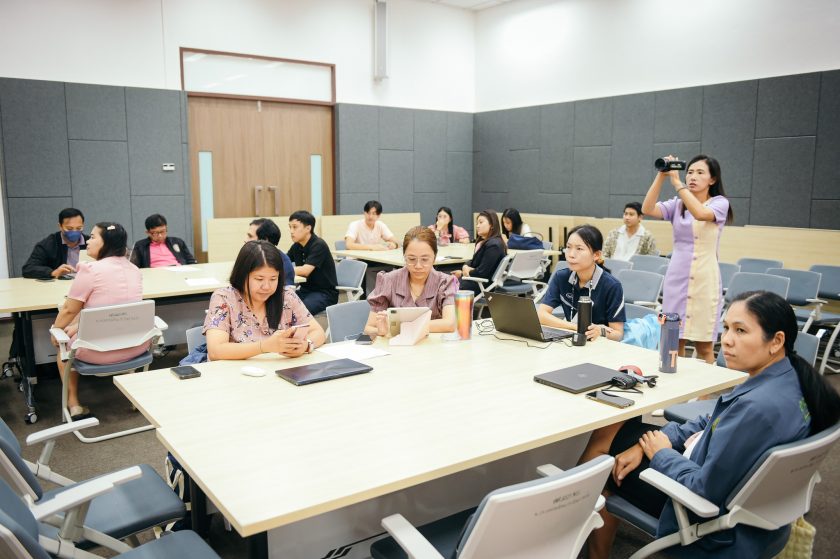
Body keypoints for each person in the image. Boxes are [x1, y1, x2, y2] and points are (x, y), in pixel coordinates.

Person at [579, 290, 840, 559]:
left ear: (776, 341)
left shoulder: (757, 409)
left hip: (701, 516)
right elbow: (712, 420)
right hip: (750, 509)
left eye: (740, 330)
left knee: (603, 456)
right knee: (620, 436)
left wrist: (660, 453)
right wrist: (654, 442)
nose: (726, 340)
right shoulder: (790, 380)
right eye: (726, 328)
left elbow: (703, 490)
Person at [642, 154, 733, 363]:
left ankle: (707, 386)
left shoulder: (720, 203)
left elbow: (701, 213)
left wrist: (677, 182)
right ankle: (675, 380)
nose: (692, 176)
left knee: (704, 345)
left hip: (705, 279)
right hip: (677, 278)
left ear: (713, 179)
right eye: (690, 172)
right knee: (674, 341)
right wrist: (662, 175)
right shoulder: (677, 204)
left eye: (700, 173)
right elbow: (647, 209)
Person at [50, 222, 143, 419]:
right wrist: (79, 325)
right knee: (78, 323)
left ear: (106, 243)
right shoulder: (134, 270)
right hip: (135, 349)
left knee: (62, 343)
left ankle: (73, 404)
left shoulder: (90, 270)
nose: (87, 241)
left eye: (92, 237)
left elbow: (68, 309)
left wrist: (55, 330)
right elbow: (118, 312)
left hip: (96, 352)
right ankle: (135, 396)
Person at [204, 240, 326, 361]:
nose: (267, 286)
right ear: (242, 275)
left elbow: (318, 332)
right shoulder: (224, 298)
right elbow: (215, 351)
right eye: (259, 279)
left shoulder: (286, 296)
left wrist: (306, 345)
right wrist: (264, 346)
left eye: (273, 279)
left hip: (279, 370)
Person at [537, 225, 626, 341]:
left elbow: (618, 334)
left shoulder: (612, 286)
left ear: (596, 255)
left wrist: (601, 332)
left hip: (599, 344)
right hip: (572, 339)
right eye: (568, 247)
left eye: (579, 249)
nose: (571, 254)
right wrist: (577, 327)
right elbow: (541, 315)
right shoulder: (561, 277)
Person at [364, 226, 458, 336]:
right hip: (398, 346)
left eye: (425, 259)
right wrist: (380, 331)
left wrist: (398, 327)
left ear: (434, 257)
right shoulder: (388, 280)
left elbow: (449, 324)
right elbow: (369, 328)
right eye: (412, 259)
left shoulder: (446, 283)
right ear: (404, 257)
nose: (418, 266)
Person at [288, 211, 339, 315]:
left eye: (295, 227)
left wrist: (283, 268)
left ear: (308, 228)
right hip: (305, 290)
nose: (291, 231)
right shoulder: (296, 246)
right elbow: (283, 260)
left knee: (299, 312)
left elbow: (305, 271)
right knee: (283, 306)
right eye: (290, 227)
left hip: (325, 294)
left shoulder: (319, 245)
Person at [22, 208, 89, 279]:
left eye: (79, 228)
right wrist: (53, 272)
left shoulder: (89, 242)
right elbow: (28, 268)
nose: (74, 232)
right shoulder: (48, 244)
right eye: (69, 229)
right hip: (59, 284)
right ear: (60, 226)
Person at [452, 210, 506, 296]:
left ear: (491, 225)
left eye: (481, 222)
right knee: (446, 279)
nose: (477, 226)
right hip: (476, 280)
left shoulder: (494, 245)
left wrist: (464, 273)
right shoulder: (486, 242)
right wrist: (465, 266)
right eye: (477, 223)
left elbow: (482, 272)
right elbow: (474, 261)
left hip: (480, 284)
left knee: (446, 285)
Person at [130, 214, 197, 268]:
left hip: (179, 273)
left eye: (162, 231)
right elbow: (133, 267)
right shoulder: (140, 246)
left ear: (166, 228)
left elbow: (191, 261)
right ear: (148, 233)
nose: (160, 236)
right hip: (155, 275)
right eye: (155, 233)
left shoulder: (177, 242)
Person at [246, 218, 295, 286]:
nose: (245, 240)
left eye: (250, 236)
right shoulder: (250, 256)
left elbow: (286, 290)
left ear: (265, 240)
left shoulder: (282, 262)